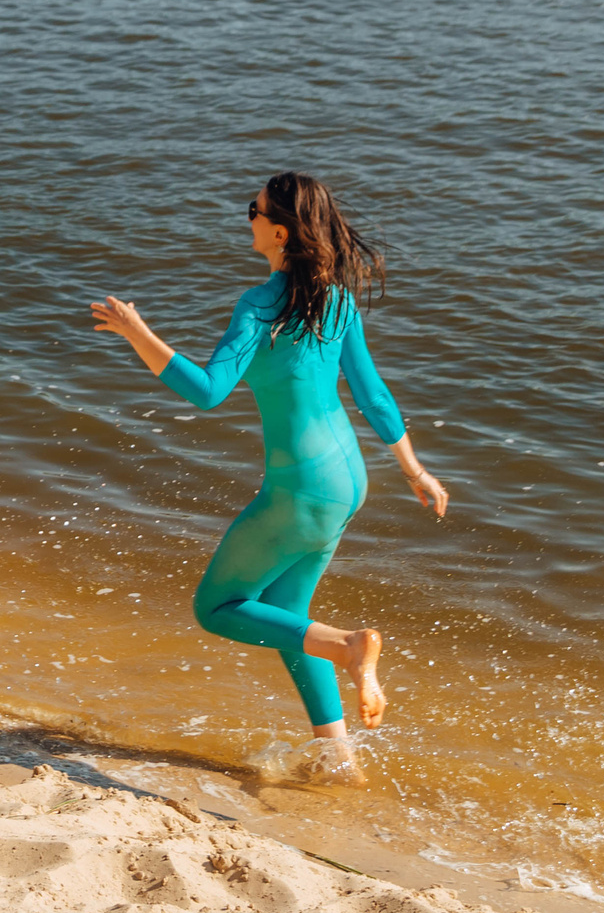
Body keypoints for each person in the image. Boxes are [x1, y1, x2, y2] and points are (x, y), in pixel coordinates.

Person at [90, 171, 445, 781]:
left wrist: (137, 332)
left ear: (280, 232)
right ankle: (338, 758)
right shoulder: (337, 300)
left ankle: (351, 648)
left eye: (252, 210)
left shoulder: (258, 306)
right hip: (348, 482)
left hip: (301, 489)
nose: (247, 218)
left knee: (218, 607)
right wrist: (415, 470)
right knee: (290, 616)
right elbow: (374, 396)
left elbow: (208, 391)